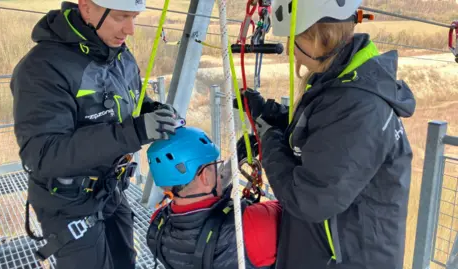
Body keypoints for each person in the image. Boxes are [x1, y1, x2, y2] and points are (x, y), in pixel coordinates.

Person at [234, 0, 416, 268]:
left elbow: (309, 198)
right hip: (328, 250)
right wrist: (268, 113)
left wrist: (269, 139)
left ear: (317, 38)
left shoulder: (359, 107)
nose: (291, 53)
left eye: (293, 39)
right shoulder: (344, 83)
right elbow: (322, 134)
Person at [10, 1, 179, 268]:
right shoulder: (42, 68)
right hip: (69, 204)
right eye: (122, 17)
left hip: (111, 189)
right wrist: (133, 132)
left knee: (126, 262)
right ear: (87, 8)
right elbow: (42, 155)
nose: (130, 29)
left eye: (133, 17)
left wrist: (152, 110)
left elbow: (130, 99)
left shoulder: (119, 54)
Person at [145, 126, 282, 269]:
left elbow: (202, 208)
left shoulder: (158, 224)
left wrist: (231, 166)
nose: (219, 170)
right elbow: (295, 203)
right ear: (204, 177)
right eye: (216, 165)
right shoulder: (254, 223)